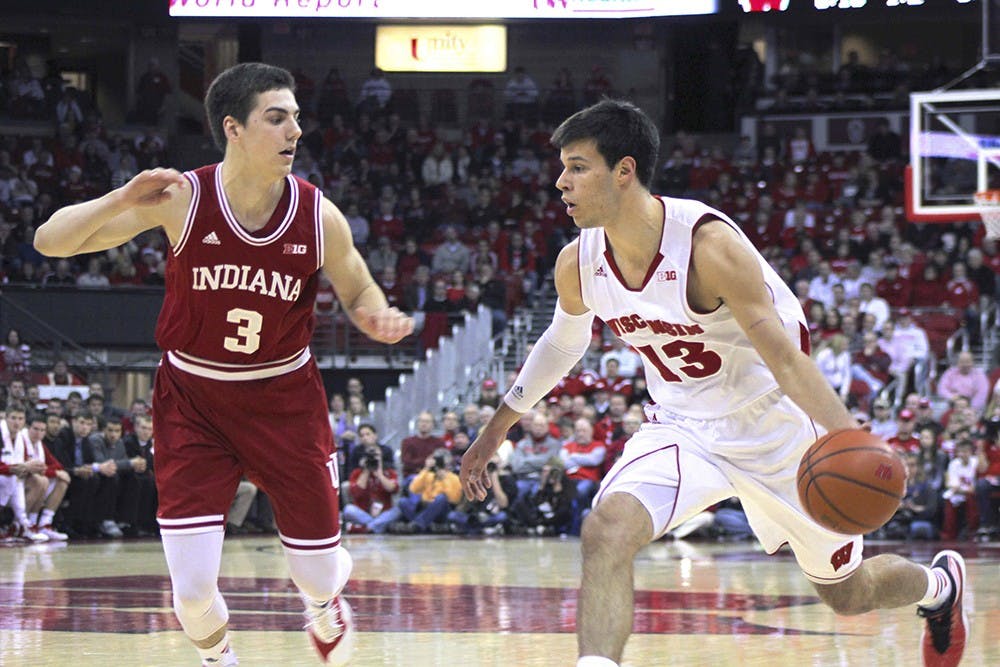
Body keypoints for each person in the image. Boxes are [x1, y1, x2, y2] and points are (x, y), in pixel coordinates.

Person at [459, 100, 968, 667]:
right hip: (684, 427)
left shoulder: (708, 248)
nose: (561, 182)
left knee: (847, 595)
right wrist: (494, 430)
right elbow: (561, 344)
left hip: (775, 425)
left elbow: (787, 361)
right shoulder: (577, 264)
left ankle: (939, 587)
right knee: (606, 530)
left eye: (577, 167)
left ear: (624, 171)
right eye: (563, 168)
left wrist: (853, 438)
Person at [34, 63, 413, 667]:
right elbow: (50, 241)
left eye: (296, 118)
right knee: (190, 593)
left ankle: (323, 604)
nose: (295, 130)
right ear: (233, 128)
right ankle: (220, 659)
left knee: (317, 574)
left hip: (284, 400)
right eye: (277, 118)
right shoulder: (183, 199)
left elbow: (361, 288)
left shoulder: (318, 216)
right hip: (193, 400)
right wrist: (121, 198)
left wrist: (377, 315)